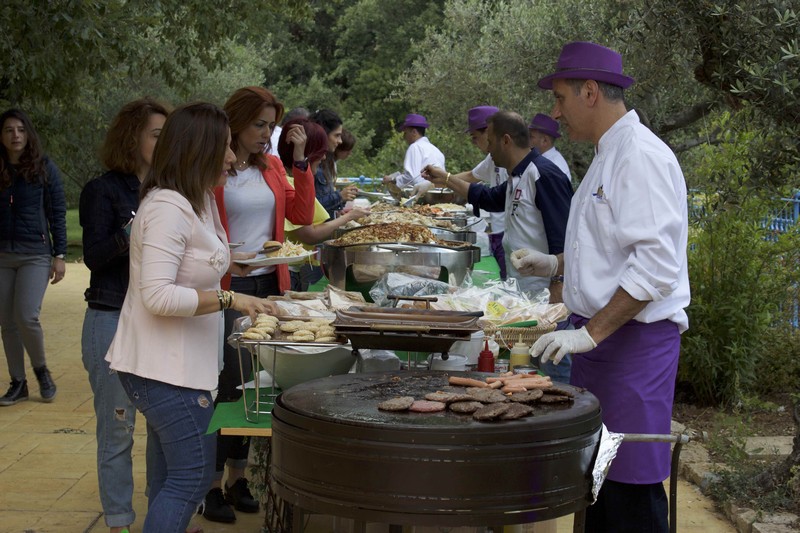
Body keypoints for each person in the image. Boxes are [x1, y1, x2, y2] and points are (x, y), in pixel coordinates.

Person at [522, 41, 690, 532]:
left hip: (632, 349)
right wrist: (552, 262)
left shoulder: (639, 156)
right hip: (603, 348)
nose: (556, 114)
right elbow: (609, 248)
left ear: (590, 92)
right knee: (599, 487)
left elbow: (655, 267)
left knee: (629, 492)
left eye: (560, 99)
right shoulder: (604, 155)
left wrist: (589, 332)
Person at [105, 102, 276, 533]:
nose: (233, 158)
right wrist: (228, 299)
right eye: (223, 148)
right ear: (196, 149)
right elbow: (158, 296)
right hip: (164, 369)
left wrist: (232, 266)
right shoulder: (166, 207)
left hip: (184, 367)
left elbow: (197, 257)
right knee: (193, 478)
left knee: (170, 477)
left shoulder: (198, 197)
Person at [203, 87, 316, 524]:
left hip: (269, 284)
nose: (266, 133)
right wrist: (223, 255)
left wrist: (300, 159)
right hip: (228, 288)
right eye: (259, 124)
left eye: (271, 126)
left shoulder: (271, 166)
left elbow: (303, 216)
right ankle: (211, 486)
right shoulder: (214, 166)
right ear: (235, 122)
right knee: (228, 383)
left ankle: (239, 478)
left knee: (257, 383)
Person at [423, 111, 573, 383]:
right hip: (524, 291)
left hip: (546, 293)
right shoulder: (517, 175)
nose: (488, 150)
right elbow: (488, 197)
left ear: (505, 140)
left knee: (554, 360)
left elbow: (564, 235)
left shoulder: (544, 174)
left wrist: (558, 283)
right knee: (531, 362)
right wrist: (445, 178)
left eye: (490, 141)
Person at [80, 98, 170, 533]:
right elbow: (95, 257)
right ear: (132, 137)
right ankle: (118, 521)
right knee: (117, 431)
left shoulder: (170, 190)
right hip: (111, 318)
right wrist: (135, 228)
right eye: (156, 133)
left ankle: (161, 516)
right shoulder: (102, 191)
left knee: (160, 426)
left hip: (158, 323)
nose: (164, 141)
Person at [0, 109, 66, 406]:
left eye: (20, 130)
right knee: (7, 322)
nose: (15, 135)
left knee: (26, 316)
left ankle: (41, 371)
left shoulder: (44, 168)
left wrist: (60, 254)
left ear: (28, 134)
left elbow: (57, 213)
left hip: (35, 255)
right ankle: (18, 382)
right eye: (9, 130)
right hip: (2, 255)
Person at [278, 119, 369, 291]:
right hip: (289, 271)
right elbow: (309, 234)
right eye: (321, 151)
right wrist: (349, 217)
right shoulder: (289, 184)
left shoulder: (288, 179)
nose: (324, 156)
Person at [423, 106, 508, 279]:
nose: (474, 143)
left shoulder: (512, 160)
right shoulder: (493, 157)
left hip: (510, 234)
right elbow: (471, 175)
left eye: (475, 138)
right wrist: (434, 183)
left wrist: (444, 179)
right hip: (500, 233)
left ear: (490, 132)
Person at [310, 109, 357, 217]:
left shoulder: (327, 163)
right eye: (336, 135)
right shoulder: (310, 165)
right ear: (323, 135)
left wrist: (342, 199)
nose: (340, 141)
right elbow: (311, 207)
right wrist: (340, 196)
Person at [386, 113, 446, 196]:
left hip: (422, 196)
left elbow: (411, 177)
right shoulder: (436, 150)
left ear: (414, 132)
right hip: (438, 195)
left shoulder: (414, 147)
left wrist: (393, 179)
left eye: (405, 133)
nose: (404, 137)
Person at [527, 113, 572, 184]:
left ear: (545, 141)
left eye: (531, 136)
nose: (527, 140)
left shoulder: (554, 165)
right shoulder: (544, 160)